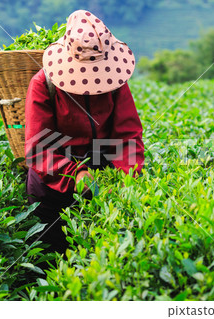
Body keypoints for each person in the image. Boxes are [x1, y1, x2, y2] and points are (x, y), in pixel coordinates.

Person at [24, 10, 145, 254]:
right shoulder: (43, 83)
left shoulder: (114, 83)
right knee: (50, 256)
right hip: (51, 186)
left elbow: (128, 137)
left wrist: (124, 179)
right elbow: (39, 148)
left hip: (100, 175)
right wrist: (75, 174)